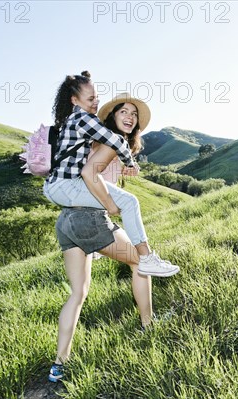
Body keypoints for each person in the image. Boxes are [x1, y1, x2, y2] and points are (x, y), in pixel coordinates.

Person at [43, 71, 179, 278]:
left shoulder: (73, 119)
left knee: (119, 202)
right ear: (74, 100)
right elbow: (115, 144)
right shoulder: (83, 118)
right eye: (90, 99)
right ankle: (146, 259)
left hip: (56, 186)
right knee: (130, 202)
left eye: (96, 97)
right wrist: (129, 162)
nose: (95, 102)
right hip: (66, 185)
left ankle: (100, 247)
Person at [48, 206, 153, 383]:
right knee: (142, 261)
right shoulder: (101, 175)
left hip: (65, 221)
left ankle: (59, 365)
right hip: (90, 221)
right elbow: (110, 202)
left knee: (78, 293)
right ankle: (148, 324)